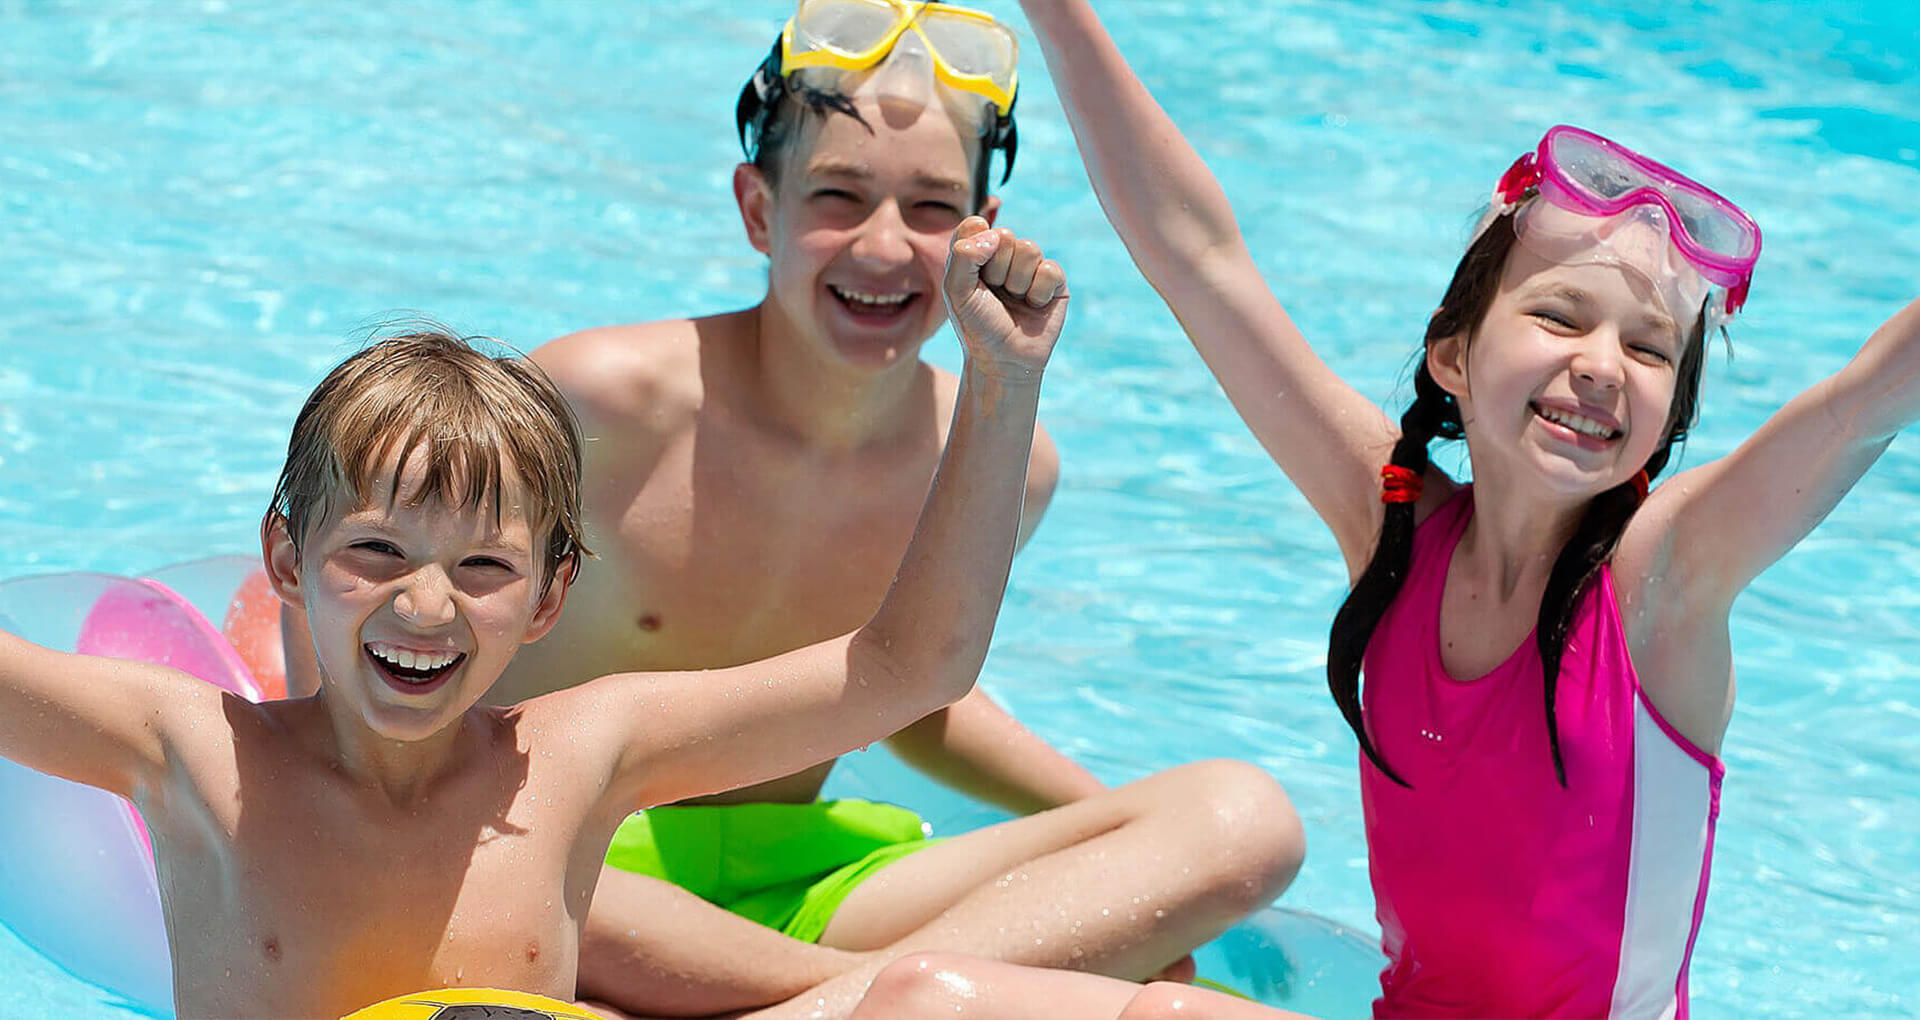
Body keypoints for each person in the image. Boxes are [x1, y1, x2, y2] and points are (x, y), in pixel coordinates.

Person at [842, 2, 1920, 1018]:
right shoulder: (1395, 531)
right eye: (1560, 317)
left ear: (1667, 422)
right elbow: (1199, 260)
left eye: (1646, 351)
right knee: (923, 998)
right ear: (1452, 354)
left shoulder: (1662, 587)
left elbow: (1864, 403)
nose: (1601, 367)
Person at [322, 4, 1289, 1016]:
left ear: (982, 228)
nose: (883, 245)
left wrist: (1113, 836)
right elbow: (388, 573)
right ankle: (851, 1003)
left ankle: (817, 1000)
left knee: (1242, 816)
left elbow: (914, 689)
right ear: (756, 208)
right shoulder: (600, 402)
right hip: (564, 860)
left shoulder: (999, 449)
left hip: (801, 884)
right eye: (837, 194)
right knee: (473, 861)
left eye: (929, 207)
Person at [0, 214, 1066, 1019]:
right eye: (375, 551)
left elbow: (912, 666)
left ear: (553, 594)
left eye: (483, 567)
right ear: (287, 557)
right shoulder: (197, 757)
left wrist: (1001, 383)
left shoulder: (576, 760)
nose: (425, 604)